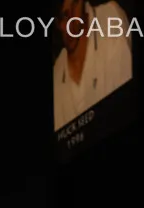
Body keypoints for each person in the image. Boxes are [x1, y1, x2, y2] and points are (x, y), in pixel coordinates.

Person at [52, 0, 132, 131]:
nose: (72, 23)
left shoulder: (110, 20)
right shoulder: (56, 76)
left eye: (75, 4)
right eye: (64, 15)